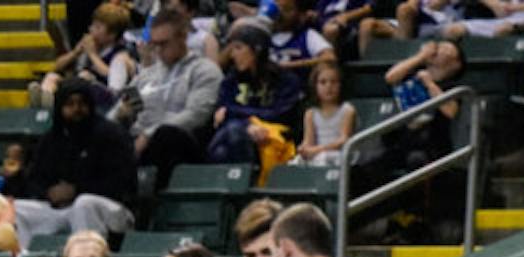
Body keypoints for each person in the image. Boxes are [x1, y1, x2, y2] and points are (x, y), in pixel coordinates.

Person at [11, 81, 137, 249]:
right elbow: (35, 180)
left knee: (84, 203)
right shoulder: (51, 139)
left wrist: (77, 190)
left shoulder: (110, 134)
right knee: (15, 209)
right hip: (64, 209)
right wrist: (49, 193)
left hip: (111, 209)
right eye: (70, 104)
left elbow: (123, 183)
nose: (77, 109)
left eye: (82, 103)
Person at [115, 7, 223, 189]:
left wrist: (149, 135)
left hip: (182, 145)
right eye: (154, 44)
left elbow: (195, 115)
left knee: (166, 135)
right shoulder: (145, 76)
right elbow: (123, 108)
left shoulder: (204, 71)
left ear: (182, 37)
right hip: (140, 142)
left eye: (163, 44)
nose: (157, 50)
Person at [206, 21, 304, 164]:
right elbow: (219, 118)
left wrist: (234, 114)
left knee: (232, 131)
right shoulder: (231, 80)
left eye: (238, 48)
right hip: (237, 136)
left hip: (274, 139)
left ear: (257, 50)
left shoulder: (285, 80)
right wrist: (247, 125)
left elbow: (279, 115)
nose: (233, 55)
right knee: (225, 145)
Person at [299, 59, 356, 165]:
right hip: (317, 153)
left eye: (333, 82)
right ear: (315, 86)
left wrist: (319, 150)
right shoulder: (311, 113)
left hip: (339, 155)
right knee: (297, 161)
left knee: (323, 158)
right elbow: (308, 140)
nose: (328, 86)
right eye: (323, 82)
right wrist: (304, 149)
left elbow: (343, 140)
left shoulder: (347, 110)